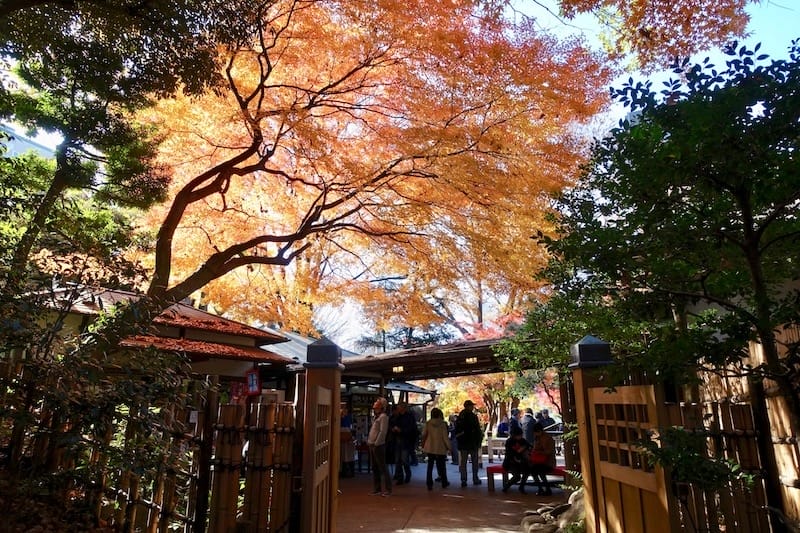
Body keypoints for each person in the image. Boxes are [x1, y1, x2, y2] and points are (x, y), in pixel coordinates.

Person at [455, 399, 483, 487]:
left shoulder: (460, 416)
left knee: (463, 462)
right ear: (469, 406)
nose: (473, 407)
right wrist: (479, 441)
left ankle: (463, 479)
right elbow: (477, 430)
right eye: (471, 406)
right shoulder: (473, 416)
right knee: (474, 462)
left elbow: (457, 430)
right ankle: (475, 478)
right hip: (472, 442)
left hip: (463, 443)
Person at [421, 407, 451, 490]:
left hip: (430, 446)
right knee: (442, 466)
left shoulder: (428, 423)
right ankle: (444, 482)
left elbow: (424, 434)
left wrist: (423, 444)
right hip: (440, 447)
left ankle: (429, 483)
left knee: (430, 466)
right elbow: (445, 437)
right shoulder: (443, 424)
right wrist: (449, 447)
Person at [367, 397, 392, 496]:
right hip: (372, 444)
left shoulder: (383, 417)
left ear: (382, 406)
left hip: (378, 445)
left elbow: (383, 431)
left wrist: (377, 443)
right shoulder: (376, 417)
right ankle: (377, 488)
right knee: (375, 467)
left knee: (382, 467)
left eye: (377, 402)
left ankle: (388, 489)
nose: (375, 404)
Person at [389, 401, 417, 485]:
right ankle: (400, 477)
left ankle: (407, 474)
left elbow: (412, 429)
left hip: (405, 440)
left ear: (403, 408)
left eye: (399, 407)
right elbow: (391, 424)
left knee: (404, 460)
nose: (398, 409)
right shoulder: (397, 417)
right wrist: (393, 429)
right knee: (398, 460)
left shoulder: (409, 417)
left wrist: (401, 430)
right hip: (397, 439)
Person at [501, 425, 532, 493]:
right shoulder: (509, 441)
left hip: (521, 462)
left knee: (527, 471)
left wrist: (526, 450)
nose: (520, 436)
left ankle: (521, 487)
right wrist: (518, 452)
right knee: (517, 477)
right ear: (514, 435)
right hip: (510, 462)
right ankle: (507, 485)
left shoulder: (522, 440)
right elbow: (509, 454)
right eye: (519, 435)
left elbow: (529, 446)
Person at [528, 422, 557, 496]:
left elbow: (549, 451)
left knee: (538, 471)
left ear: (539, 431)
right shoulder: (538, 438)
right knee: (534, 470)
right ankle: (542, 488)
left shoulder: (547, 439)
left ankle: (544, 489)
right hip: (540, 461)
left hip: (548, 462)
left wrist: (539, 452)